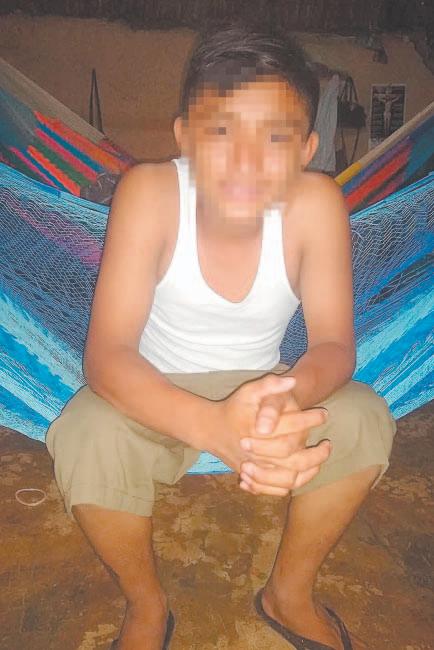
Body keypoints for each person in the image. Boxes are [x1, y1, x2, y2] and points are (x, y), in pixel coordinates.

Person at [46, 23, 396, 650]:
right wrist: (213, 427)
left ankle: (289, 594)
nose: (246, 161)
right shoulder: (150, 194)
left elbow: (334, 346)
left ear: (307, 148)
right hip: (154, 396)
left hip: (267, 388)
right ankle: (146, 606)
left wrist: (284, 400)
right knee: (84, 434)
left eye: (276, 137)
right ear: (184, 136)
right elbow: (107, 357)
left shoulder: (317, 204)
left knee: (366, 417)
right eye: (222, 131)